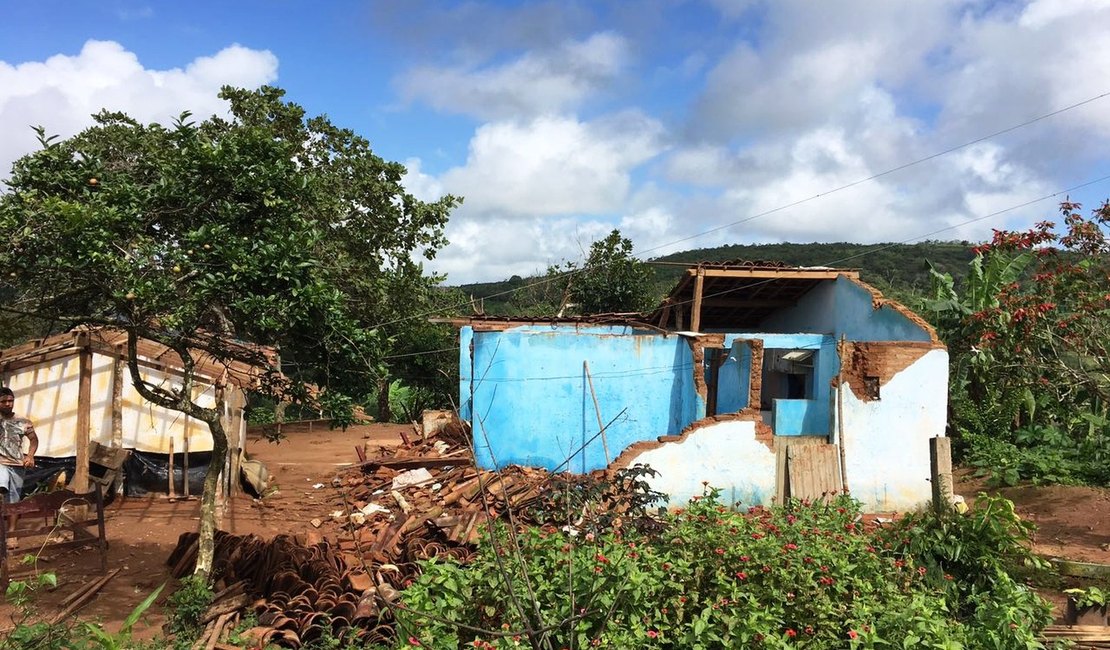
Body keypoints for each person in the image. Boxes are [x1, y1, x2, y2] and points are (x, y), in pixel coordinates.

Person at [0, 387, 37, 504]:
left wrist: (30, 456)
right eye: (3, 401)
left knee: (14, 502)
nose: (7, 404)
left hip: (17, 464)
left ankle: (12, 523)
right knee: (2, 486)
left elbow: (34, 440)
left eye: (10, 401)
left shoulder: (22, 421)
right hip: (1, 463)